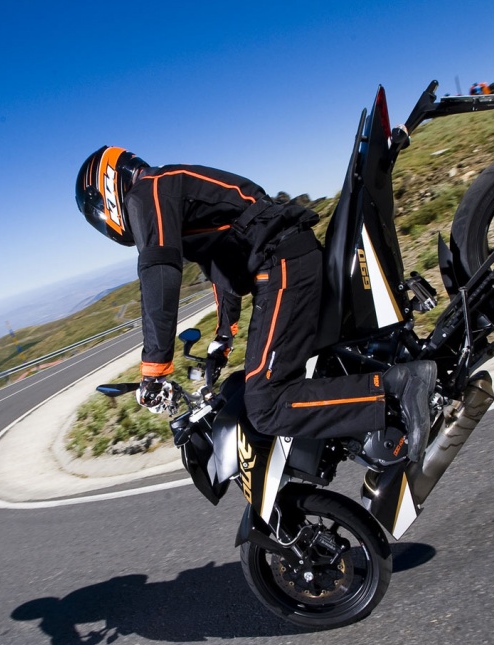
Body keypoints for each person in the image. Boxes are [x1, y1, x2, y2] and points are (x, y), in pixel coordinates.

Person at [75, 146, 436, 463]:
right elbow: (221, 269)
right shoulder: (168, 189)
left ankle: (399, 387)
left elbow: (159, 273)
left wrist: (154, 369)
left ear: (106, 193)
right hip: (286, 259)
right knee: (289, 370)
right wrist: (224, 336)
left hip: (280, 263)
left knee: (266, 403)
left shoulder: (147, 191)